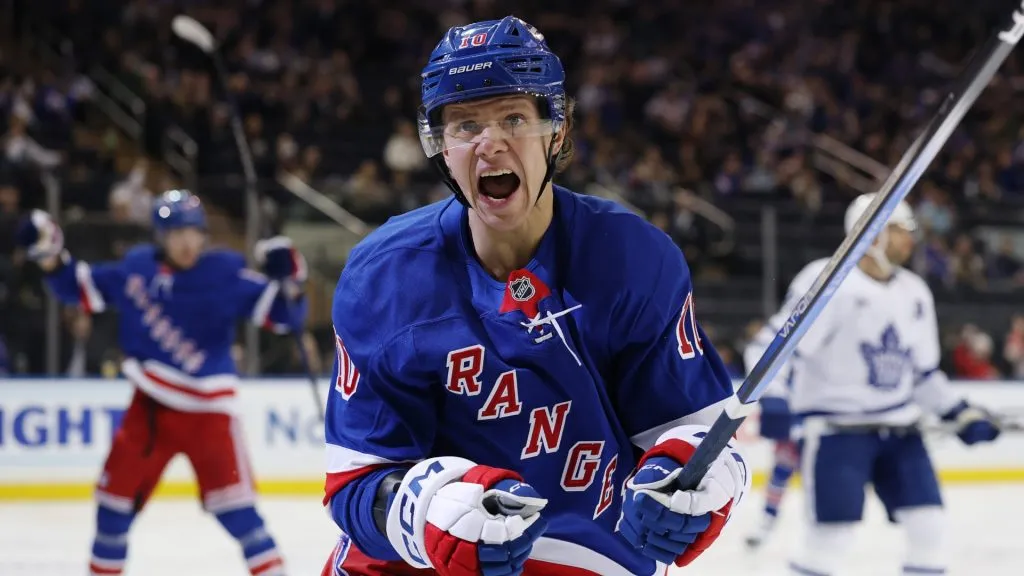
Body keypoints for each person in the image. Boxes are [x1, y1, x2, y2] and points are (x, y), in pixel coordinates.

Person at [320, 16, 750, 576]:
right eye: (465, 124)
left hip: (591, 555)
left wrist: (694, 484)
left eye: (514, 118)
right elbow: (356, 485)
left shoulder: (633, 260)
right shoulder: (385, 278)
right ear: (440, 147)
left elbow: (700, 438)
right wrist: (430, 506)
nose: (490, 143)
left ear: (558, 131)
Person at [16, 190, 308, 576]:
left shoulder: (225, 274)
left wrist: (291, 276)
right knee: (112, 512)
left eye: (194, 232)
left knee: (240, 515)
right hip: (150, 409)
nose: (187, 242)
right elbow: (77, 286)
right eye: (176, 233)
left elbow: (287, 315)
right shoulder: (136, 271)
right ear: (160, 237)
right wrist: (49, 254)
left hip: (209, 415)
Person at [745, 193, 1002, 575]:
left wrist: (958, 411)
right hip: (837, 432)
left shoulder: (914, 291)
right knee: (830, 540)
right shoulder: (828, 282)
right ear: (872, 235)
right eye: (901, 230)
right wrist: (775, 398)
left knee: (930, 529)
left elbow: (922, 375)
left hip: (901, 432)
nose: (910, 240)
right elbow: (773, 346)